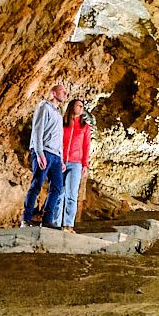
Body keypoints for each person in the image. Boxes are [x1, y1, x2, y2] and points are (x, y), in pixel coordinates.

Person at [22, 82, 67, 226]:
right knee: (37, 184)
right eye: (62, 91)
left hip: (56, 156)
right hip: (44, 152)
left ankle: (47, 220)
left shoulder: (59, 114)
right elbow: (37, 130)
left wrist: (61, 158)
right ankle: (26, 218)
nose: (65, 93)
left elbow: (59, 138)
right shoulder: (44, 107)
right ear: (53, 93)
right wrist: (39, 152)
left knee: (57, 188)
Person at [57, 98, 92, 230]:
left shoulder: (84, 127)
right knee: (59, 193)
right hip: (60, 162)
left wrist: (85, 164)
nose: (81, 108)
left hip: (76, 163)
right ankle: (55, 223)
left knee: (71, 194)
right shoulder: (62, 123)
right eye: (79, 105)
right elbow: (57, 141)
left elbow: (86, 146)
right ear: (72, 106)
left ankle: (68, 224)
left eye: (82, 106)